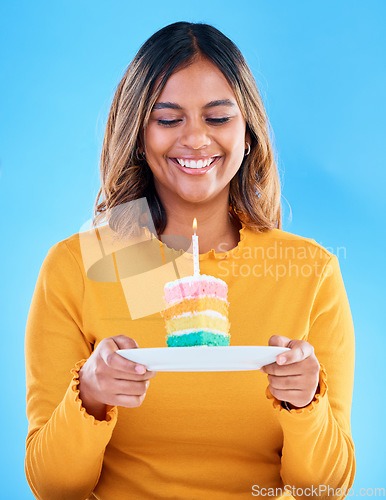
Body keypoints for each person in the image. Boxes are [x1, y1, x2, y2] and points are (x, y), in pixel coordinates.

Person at [25, 22, 355, 500]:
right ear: (139, 135)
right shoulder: (79, 266)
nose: (196, 139)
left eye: (218, 118)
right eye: (168, 119)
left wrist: (306, 404)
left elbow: (325, 489)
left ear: (248, 136)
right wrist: (90, 397)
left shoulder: (310, 270)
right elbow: (53, 487)